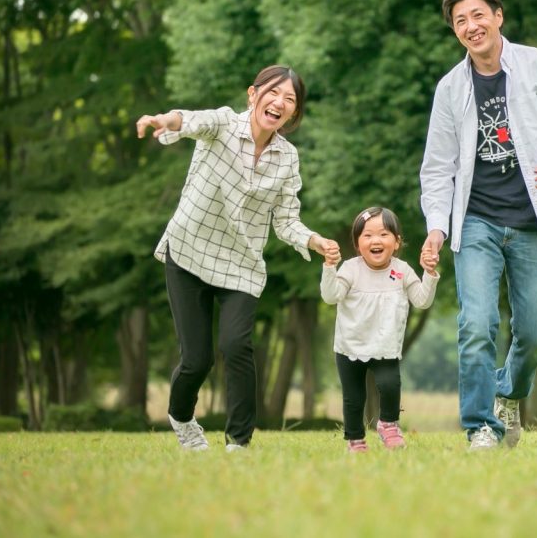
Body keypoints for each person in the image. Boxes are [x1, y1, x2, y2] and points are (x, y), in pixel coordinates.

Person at [419, 0, 537, 451]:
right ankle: (480, 424)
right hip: (475, 220)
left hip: (534, 219)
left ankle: (509, 394)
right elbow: (436, 168)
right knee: (476, 324)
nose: (471, 26)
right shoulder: (450, 89)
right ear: (455, 32)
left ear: (498, 16)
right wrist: (437, 229)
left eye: (479, 15)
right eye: (461, 21)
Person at [136, 65, 341, 452]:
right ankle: (181, 417)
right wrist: (163, 119)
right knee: (196, 360)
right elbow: (190, 119)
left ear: (294, 114)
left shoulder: (287, 158)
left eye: (290, 100)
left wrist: (314, 240)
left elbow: (286, 220)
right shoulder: (223, 125)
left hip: (241, 264)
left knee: (236, 346)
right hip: (190, 251)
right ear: (253, 94)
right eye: (273, 93)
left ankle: (239, 443)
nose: (279, 103)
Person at [320, 207, 439, 452]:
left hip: (385, 345)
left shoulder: (402, 270)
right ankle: (356, 440)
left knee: (390, 384)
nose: (376, 240)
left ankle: (388, 424)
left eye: (384, 234)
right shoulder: (351, 269)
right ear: (357, 243)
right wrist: (330, 267)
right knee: (353, 398)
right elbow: (331, 297)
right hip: (350, 345)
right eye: (367, 235)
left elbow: (421, 300)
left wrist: (429, 273)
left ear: (396, 242)